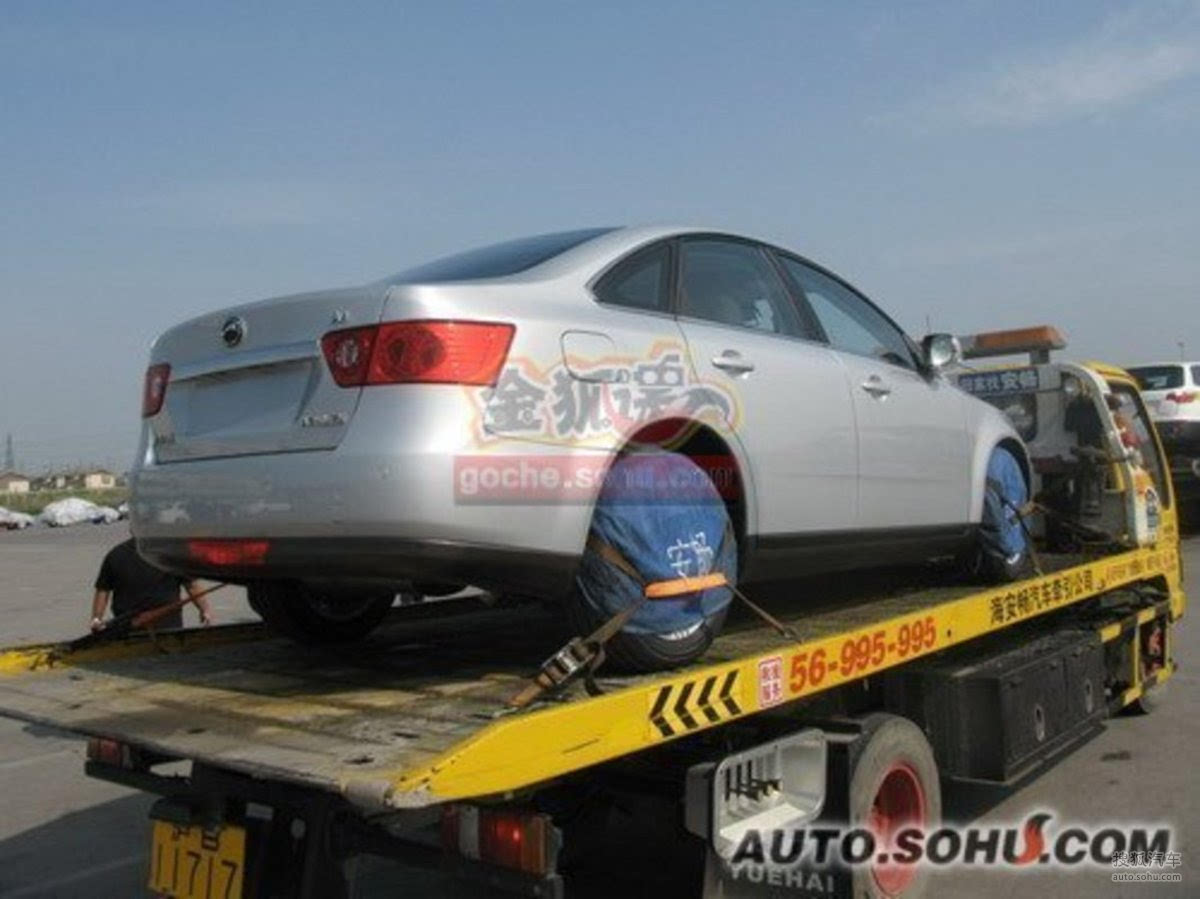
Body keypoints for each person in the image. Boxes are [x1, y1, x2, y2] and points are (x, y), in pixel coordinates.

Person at [90, 537, 213, 632]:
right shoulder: (171, 553)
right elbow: (191, 586)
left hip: (129, 627)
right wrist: (204, 610)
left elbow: (103, 590)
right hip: (165, 626)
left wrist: (97, 618)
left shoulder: (115, 554)